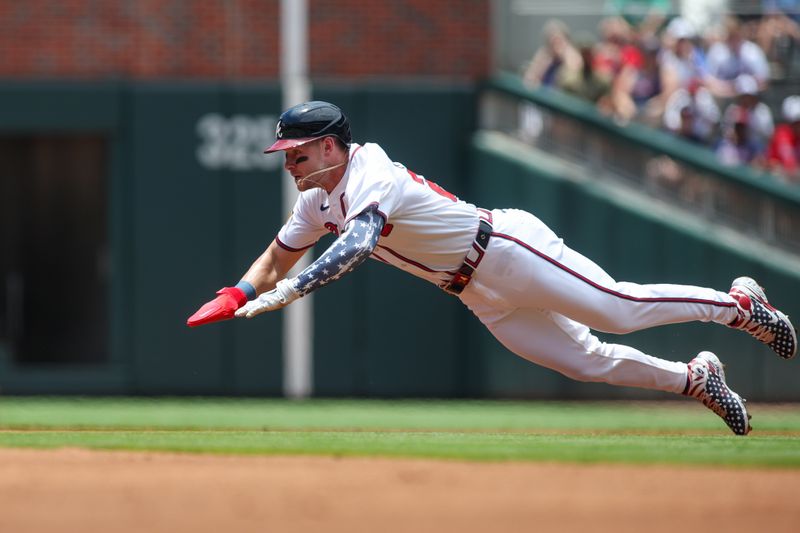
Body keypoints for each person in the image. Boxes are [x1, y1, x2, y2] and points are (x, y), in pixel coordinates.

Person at [187, 101, 797, 436]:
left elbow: (359, 243)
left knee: (620, 307)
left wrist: (292, 291)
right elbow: (275, 257)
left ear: (327, 146)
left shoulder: (371, 169)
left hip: (504, 248)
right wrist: (238, 293)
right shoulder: (316, 199)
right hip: (476, 291)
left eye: (294, 152)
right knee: (588, 362)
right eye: (284, 155)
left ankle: (741, 307)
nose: (288, 163)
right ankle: (695, 379)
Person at [766, 94, 800, 181]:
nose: (798, 126)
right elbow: (788, 164)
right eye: (795, 123)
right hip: (779, 182)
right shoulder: (781, 135)